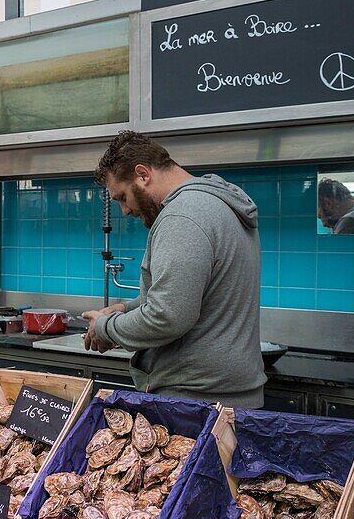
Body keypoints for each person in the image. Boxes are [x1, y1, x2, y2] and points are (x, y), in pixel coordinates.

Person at [83, 131, 266, 408]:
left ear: (143, 174)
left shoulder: (183, 216)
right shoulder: (216, 205)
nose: (125, 210)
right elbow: (192, 296)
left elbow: (167, 317)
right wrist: (126, 310)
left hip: (196, 402)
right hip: (226, 398)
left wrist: (105, 327)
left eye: (121, 197)